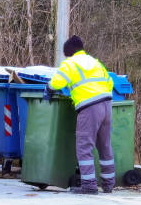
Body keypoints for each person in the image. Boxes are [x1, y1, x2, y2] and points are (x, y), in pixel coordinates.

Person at [45, 35, 115, 194]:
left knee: (84, 147)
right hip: (107, 104)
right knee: (105, 145)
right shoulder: (95, 62)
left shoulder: (70, 63)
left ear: (68, 53)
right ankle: (108, 184)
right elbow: (109, 82)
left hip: (89, 107)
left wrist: (48, 89)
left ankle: (89, 186)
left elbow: (57, 82)